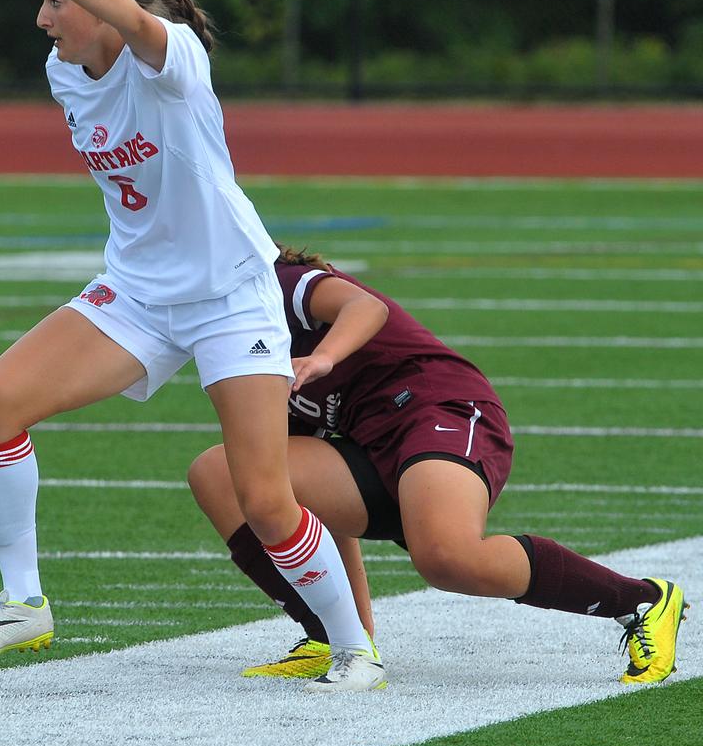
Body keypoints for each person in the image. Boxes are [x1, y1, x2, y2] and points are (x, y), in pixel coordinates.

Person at [0, 0, 386, 691]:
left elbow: (135, 22)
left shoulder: (174, 56)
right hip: (138, 293)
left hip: (229, 295)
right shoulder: (63, 71)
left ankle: (355, 649)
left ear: (99, 3)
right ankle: (23, 601)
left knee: (265, 499)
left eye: (54, 2)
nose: (42, 18)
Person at [188, 245, 688, 685]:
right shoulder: (227, 336)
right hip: (372, 446)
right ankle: (331, 637)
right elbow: (304, 505)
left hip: (438, 410)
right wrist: (349, 627)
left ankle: (640, 600)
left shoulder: (274, 283)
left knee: (447, 558)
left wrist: (324, 357)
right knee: (227, 474)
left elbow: (366, 307)